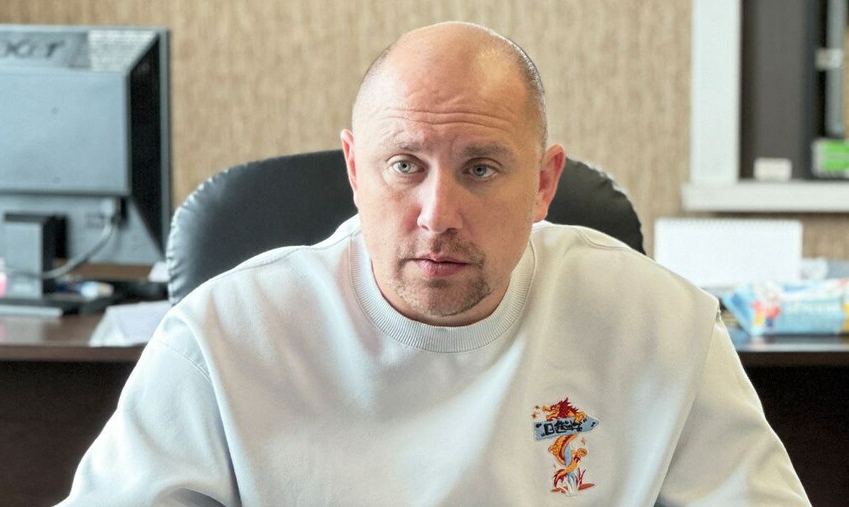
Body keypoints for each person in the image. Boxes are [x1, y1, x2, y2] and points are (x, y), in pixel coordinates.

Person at [59, 22, 810, 505]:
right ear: (355, 171)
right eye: (404, 166)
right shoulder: (222, 337)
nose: (437, 214)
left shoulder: (664, 325)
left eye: (480, 168)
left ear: (543, 183)